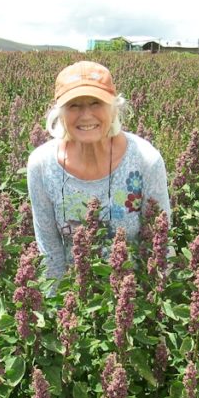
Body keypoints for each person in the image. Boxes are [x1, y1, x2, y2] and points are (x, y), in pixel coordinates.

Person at [26, 60, 171, 280]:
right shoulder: (42, 165)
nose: (86, 115)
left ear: (114, 107)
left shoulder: (145, 161)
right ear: (59, 113)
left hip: (135, 294)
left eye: (96, 103)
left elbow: (161, 241)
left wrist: (156, 304)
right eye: (74, 105)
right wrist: (57, 309)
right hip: (74, 294)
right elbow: (49, 249)